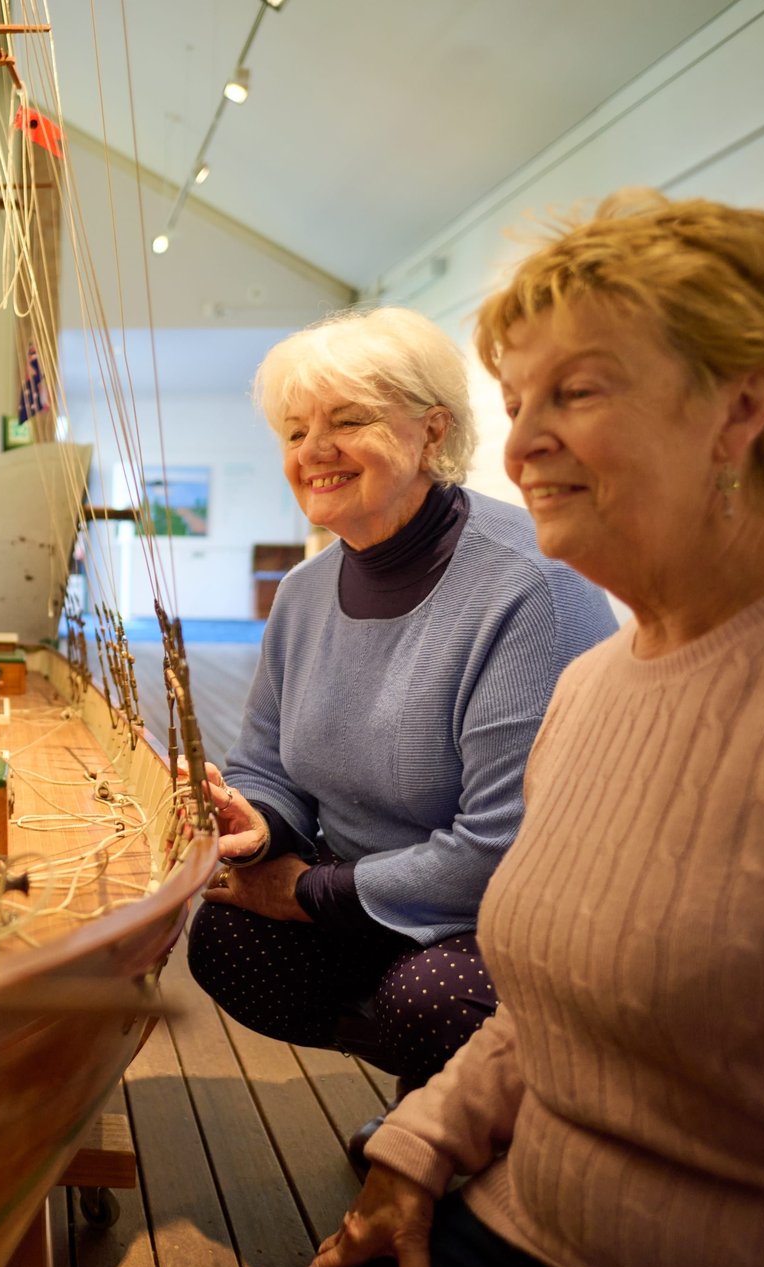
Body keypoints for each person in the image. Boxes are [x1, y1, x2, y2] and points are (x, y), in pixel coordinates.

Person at [310, 192, 764, 1267]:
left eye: (575, 393)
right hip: (509, 1215)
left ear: (741, 408)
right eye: (516, 398)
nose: (525, 443)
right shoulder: (589, 688)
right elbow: (543, 1017)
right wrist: (411, 1150)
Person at [187, 308, 614, 1093]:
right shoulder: (305, 591)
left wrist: (305, 892)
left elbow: (501, 852)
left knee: (433, 1002)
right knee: (227, 940)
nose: (315, 451)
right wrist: (260, 822)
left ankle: (492, 1122)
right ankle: (441, 1102)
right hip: (366, 894)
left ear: (433, 433)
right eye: (293, 431)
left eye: (348, 421)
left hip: (509, 919)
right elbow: (265, 762)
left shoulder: (531, 586)